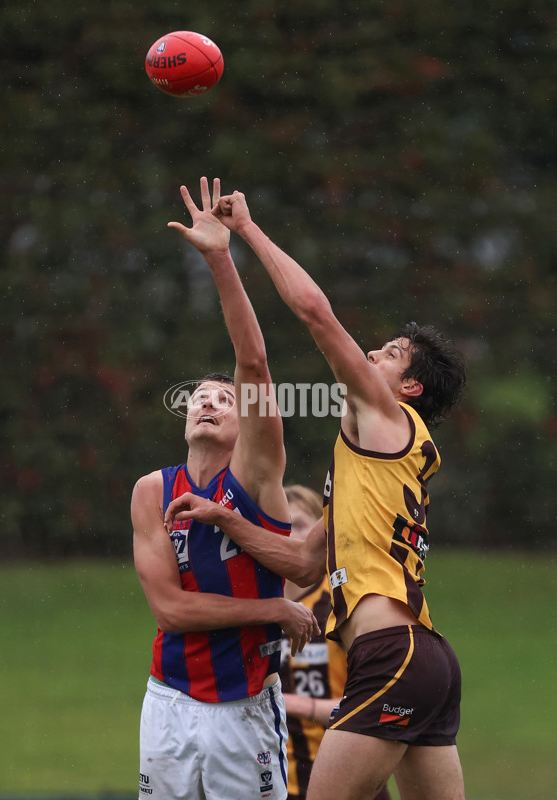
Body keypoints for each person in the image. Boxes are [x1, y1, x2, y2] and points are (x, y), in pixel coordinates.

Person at [165, 187, 467, 800]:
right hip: (426, 661)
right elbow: (304, 561)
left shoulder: (385, 415)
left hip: (391, 656)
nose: (374, 352)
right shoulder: (373, 469)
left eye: (391, 354)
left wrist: (247, 230)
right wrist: (226, 519)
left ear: (407, 388)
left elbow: (315, 313)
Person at [132, 178, 318, 800]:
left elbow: (254, 362)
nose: (208, 401)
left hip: (244, 708)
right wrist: (274, 608)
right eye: (199, 397)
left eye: (224, 398)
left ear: (248, 425)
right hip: (168, 701)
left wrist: (219, 257)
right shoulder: (151, 492)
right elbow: (172, 612)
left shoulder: (259, 477)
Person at [281, 485, 392, 800]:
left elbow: (379, 702)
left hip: (348, 777)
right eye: (281, 525)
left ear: (322, 537)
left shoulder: (341, 602)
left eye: (300, 525)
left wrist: (295, 705)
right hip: (267, 780)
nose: (289, 535)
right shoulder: (252, 603)